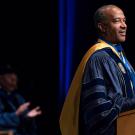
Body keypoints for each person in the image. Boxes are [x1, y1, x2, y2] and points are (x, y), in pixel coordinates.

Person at [60, 4, 135, 135]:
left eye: (124, 20)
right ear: (102, 27)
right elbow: (100, 110)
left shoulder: (120, 57)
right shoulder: (99, 57)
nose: (124, 25)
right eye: (117, 21)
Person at [0, 65, 42, 135]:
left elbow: (25, 121)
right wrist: (16, 114)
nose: (13, 81)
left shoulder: (18, 98)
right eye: (10, 77)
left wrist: (27, 117)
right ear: (1, 79)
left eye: (15, 79)